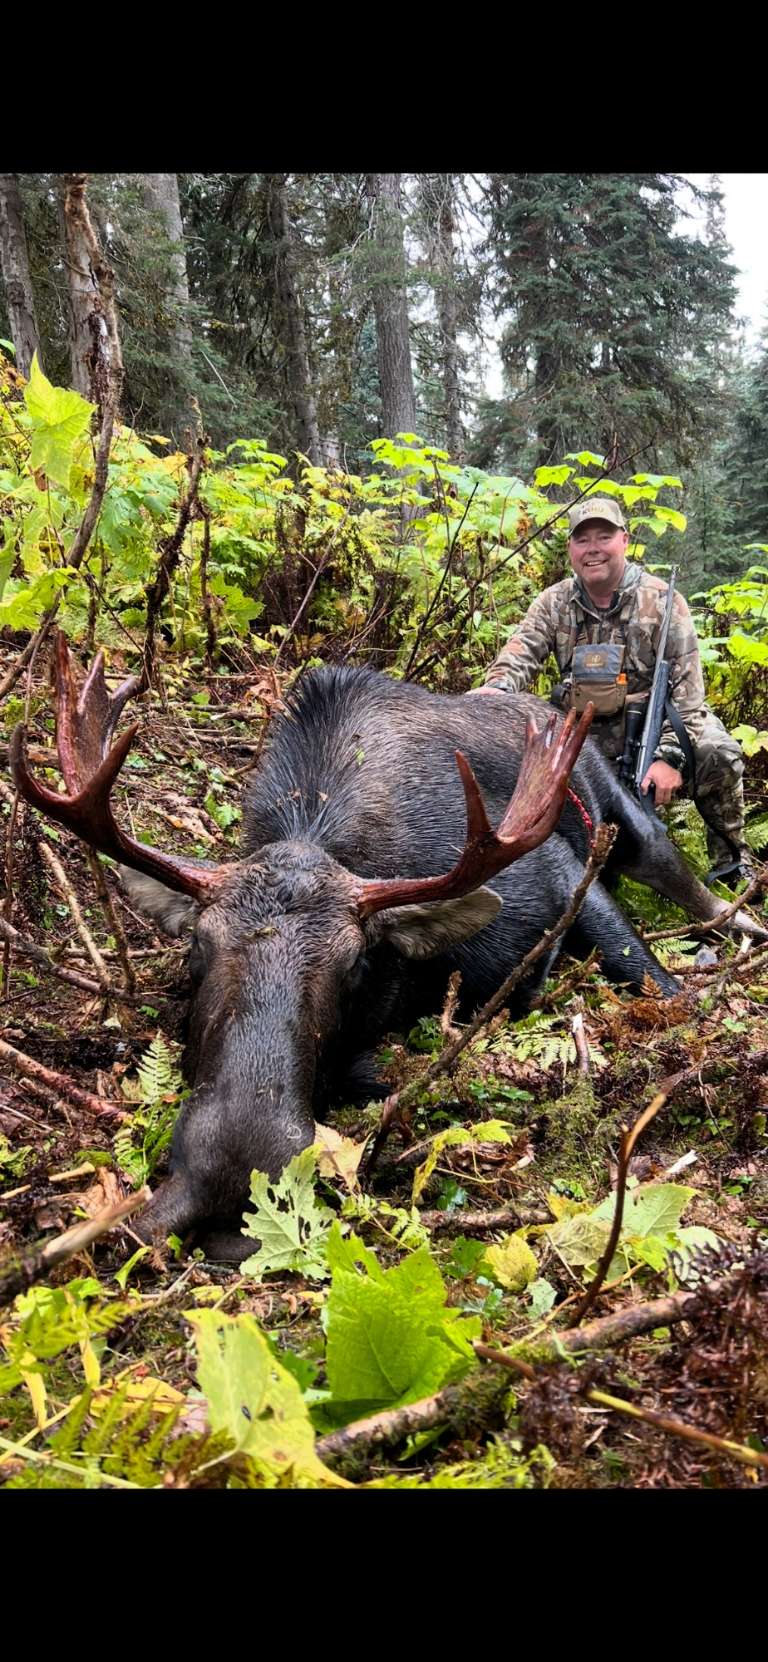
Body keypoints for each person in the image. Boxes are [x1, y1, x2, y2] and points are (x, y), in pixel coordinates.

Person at [469, 497, 750, 883]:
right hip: (584, 731)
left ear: (624, 540)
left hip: (654, 729)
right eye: (582, 540)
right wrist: (497, 692)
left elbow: (688, 701)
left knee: (717, 752)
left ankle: (732, 867)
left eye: (604, 537)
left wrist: (668, 757)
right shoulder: (553, 602)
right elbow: (518, 657)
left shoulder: (664, 603)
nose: (593, 549)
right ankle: (537, 869)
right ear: (570, 548)